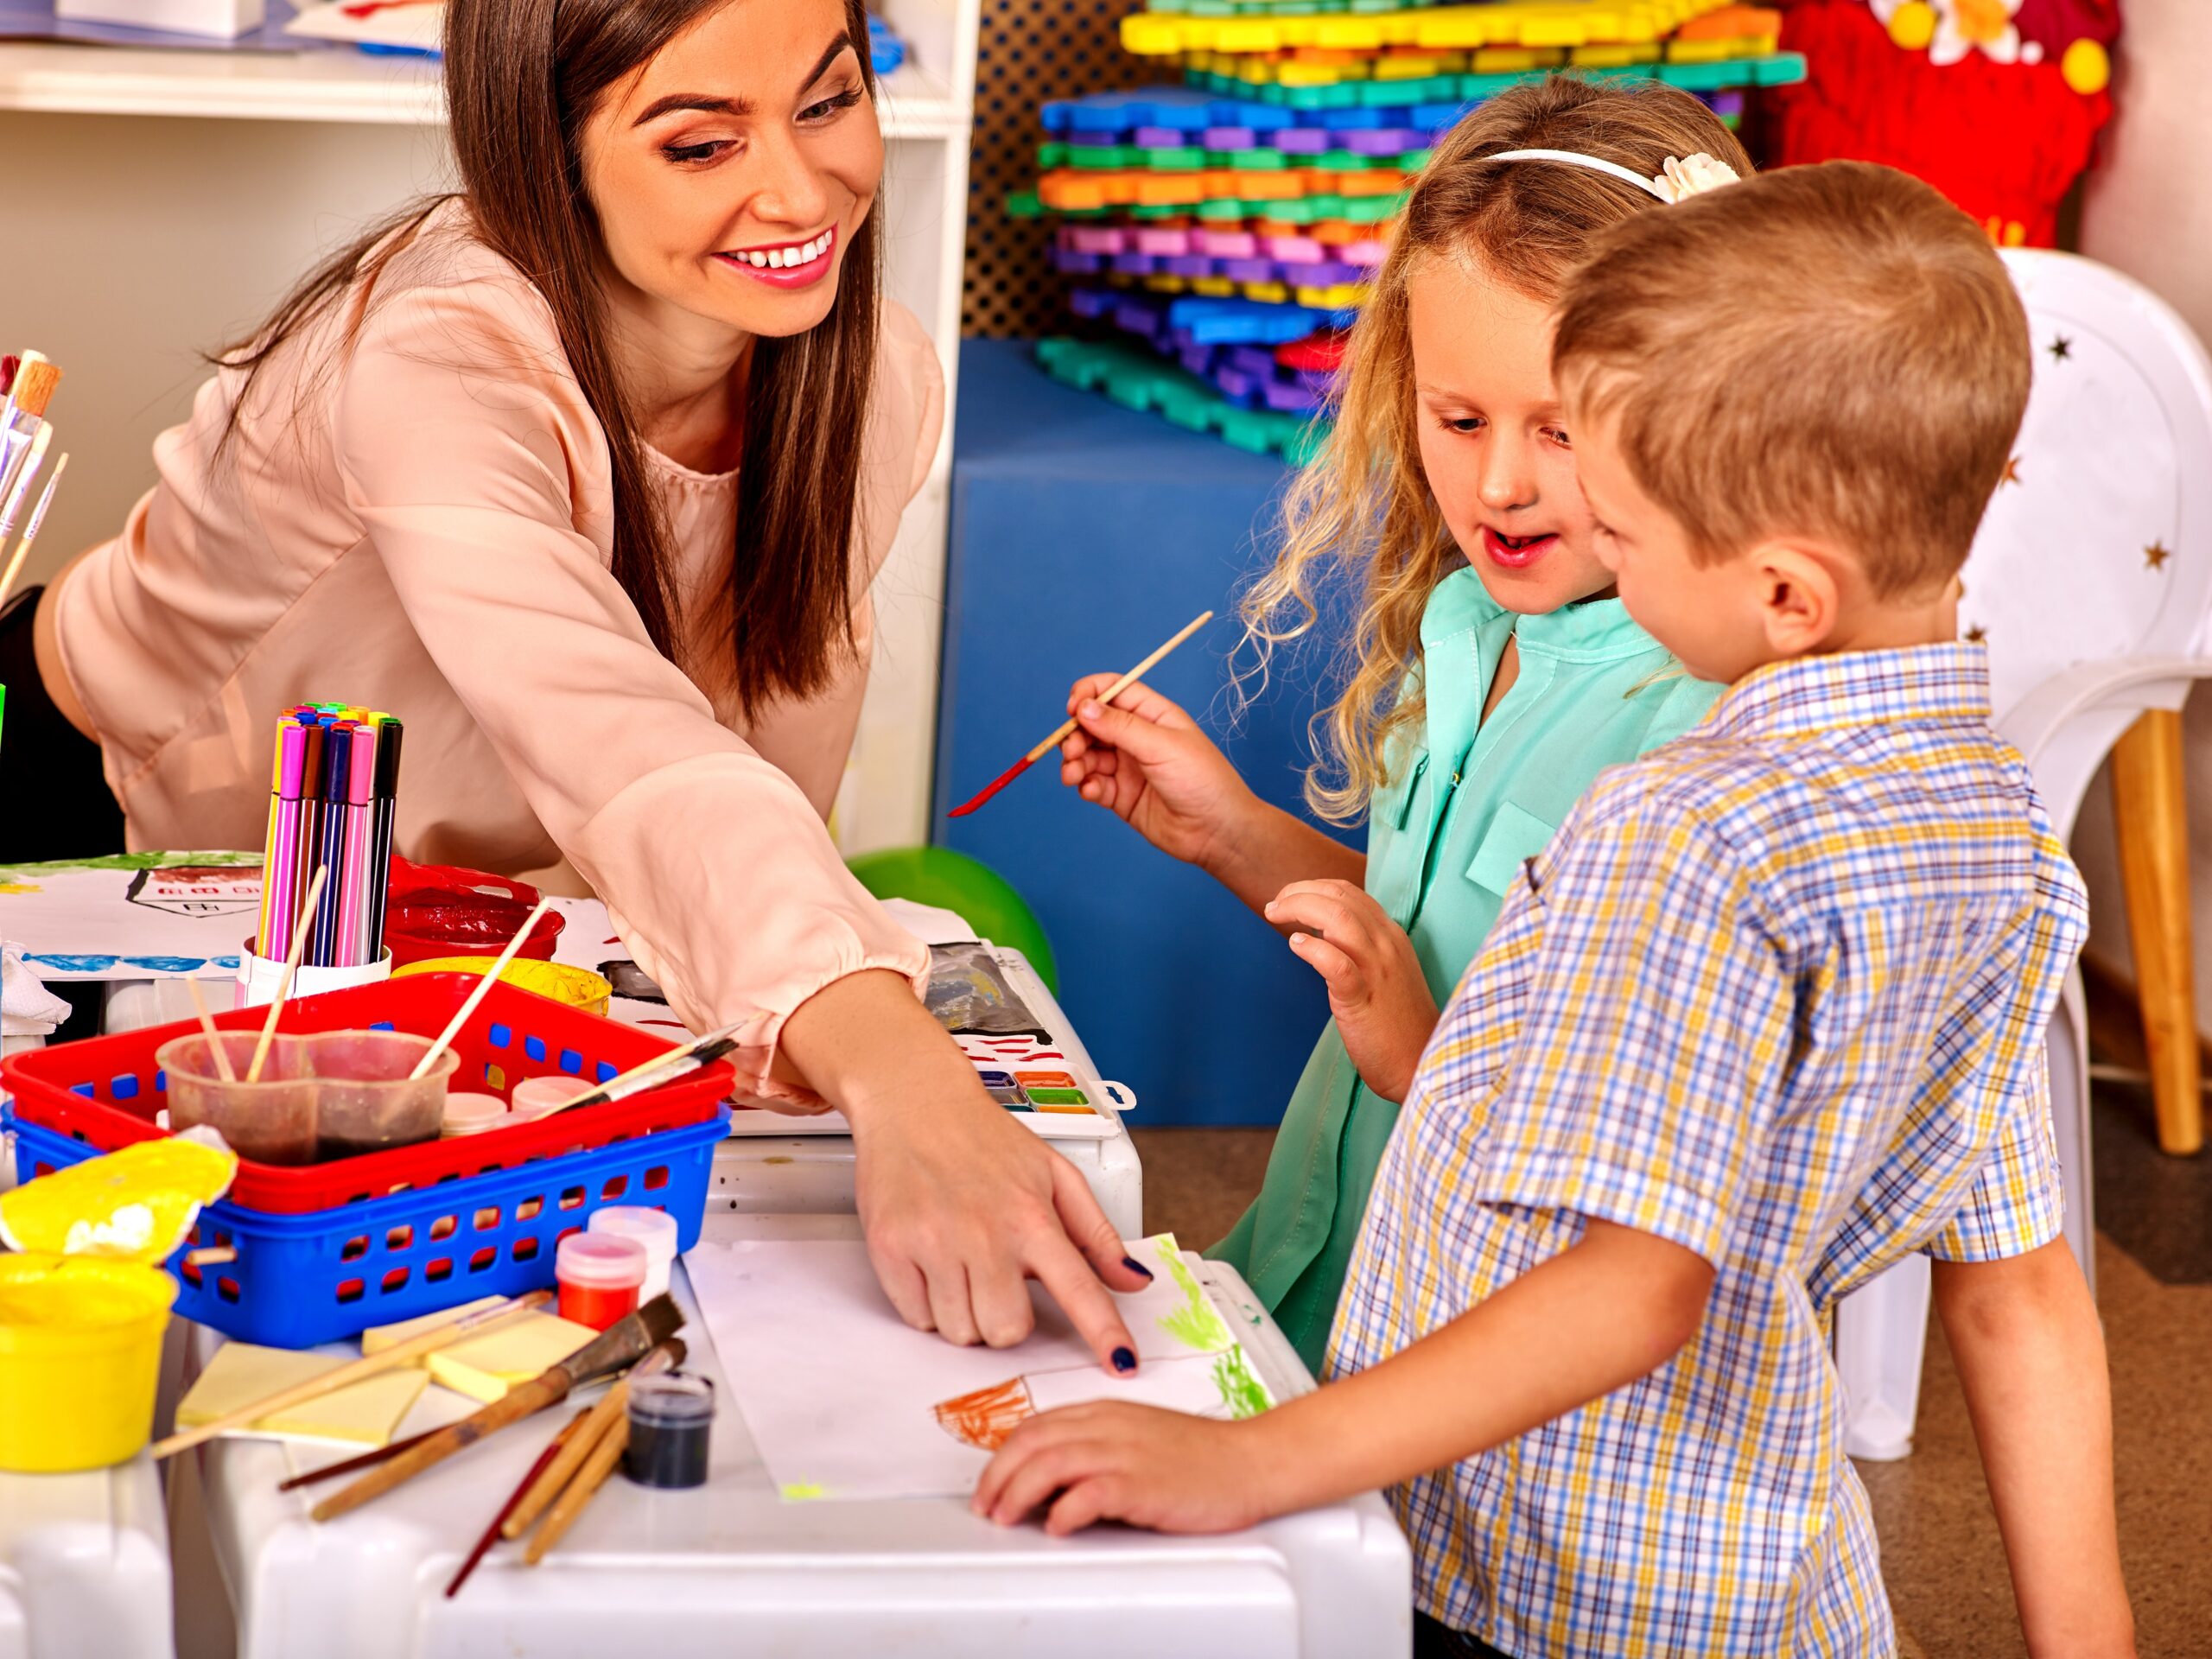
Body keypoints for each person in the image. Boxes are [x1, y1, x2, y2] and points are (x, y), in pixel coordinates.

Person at [975, 162, 2137, 1659]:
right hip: (1756, 1572)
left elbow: (1640, 1284)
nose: (1579, 530)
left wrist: (1249, 1462)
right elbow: (2024, 1290)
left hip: (1529, 1567)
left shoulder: (1684, 824)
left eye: (1631, 532)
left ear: (1785, 594)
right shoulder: (2004, 836)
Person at [0, 0, 1146, 1365]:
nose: (798, 188)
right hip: (97, 808)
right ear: (547, 154)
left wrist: (830, 1026)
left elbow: (750, 779)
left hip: (417, 904)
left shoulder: (874, 378)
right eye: (702, 142)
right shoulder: (430, 353)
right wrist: (905, 1071)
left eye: (829, 103)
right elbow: (615, 737)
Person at [1053, 76, 1740, 1370]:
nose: (1499, 482)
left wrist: (1417, 1054)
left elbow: (1644, 1181)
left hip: (1476, 1378)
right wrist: (1232, 832)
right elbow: (1415, 931)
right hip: (1319, 1283)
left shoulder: (1698, 723)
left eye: (1564, 428)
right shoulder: (1470, 623)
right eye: (1459, 416)